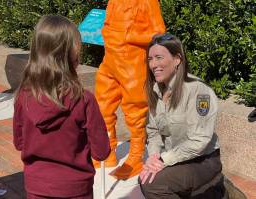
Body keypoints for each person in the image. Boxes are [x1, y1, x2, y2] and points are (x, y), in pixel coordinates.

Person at [13, 15, 110, 199]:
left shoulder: (22, 98)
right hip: (76, 189)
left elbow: (19, 143)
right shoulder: (84, 100)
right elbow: (101, 152)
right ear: (72, 56)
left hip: (36, 187)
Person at [139, 33, 227, 198]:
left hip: (202, 160)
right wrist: (153, 157)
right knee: (146, 176)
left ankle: (216, 189)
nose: (153, 64)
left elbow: (199, 140)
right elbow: (153, 131)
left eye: (159, 57)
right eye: (150, 59)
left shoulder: (198, 91)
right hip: (175, 158)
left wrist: (163, 160)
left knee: (152, 184)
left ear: (177, 59)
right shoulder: (155, 91)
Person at [94, 0, 166, 180]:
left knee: (135, 114)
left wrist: (130, 36)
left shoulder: (148, 2)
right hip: (109, 62)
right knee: (102, 108)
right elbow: (107, 25)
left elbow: (159, 34)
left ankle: (135, 158)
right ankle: (107, 152)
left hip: (132, 66)